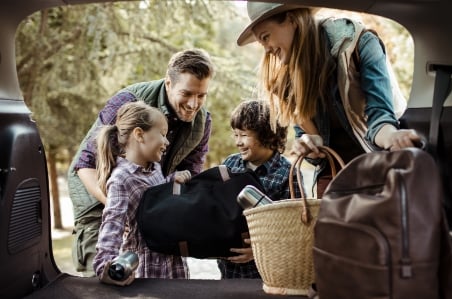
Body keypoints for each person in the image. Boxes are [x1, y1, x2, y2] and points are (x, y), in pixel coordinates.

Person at [237, 2, 422, 197]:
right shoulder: (286, 82)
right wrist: (308, 144)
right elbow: (313, 146)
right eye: (261, 42)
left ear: (291, 20)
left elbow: (380, 118)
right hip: (334, 180)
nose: (266, 49)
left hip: (377, 169)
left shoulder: (359, 44)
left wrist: (393, 137)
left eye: (266, 37)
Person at [67, 48, 215, 276]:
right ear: (168, 83)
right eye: (186, 93)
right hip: (100, 200)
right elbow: (85, 164)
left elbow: (189, 175)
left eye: (202, 95)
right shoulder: (129, 102)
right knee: (107, 282)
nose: (194, 104)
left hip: (148, 207)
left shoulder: (202, 122)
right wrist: (122, 208)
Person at [92, 101, 192, 285]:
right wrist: (104, 266)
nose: (167, 141)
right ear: (139, 134)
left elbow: (154, 200)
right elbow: (112, 225)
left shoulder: (154, 168)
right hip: (149, 271)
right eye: (162, 134)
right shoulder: (122, 179)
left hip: (172, 264)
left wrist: (171, 180)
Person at [217, 99, 301, 279]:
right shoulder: (230, 164)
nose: (238, 142)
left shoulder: (288, 174)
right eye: (235, 135)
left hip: (265, 273)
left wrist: (257, 252)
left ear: (268, 136)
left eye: (244, 135)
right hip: (229, 271)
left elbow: (293, 230)